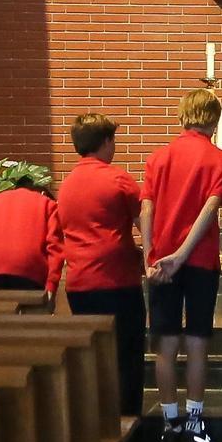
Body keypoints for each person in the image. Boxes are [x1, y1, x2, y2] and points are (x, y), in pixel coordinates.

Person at [142, 89, 222, 442]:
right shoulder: (220, 159)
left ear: (183, 116)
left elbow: (146, 207)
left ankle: (170, 426)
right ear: (214, 119)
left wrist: (152, 255)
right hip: (197, 260)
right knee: (196, 339)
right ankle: (195, 427)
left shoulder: (159, 156)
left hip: (161, 259)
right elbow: (210, 209)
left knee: (164, 342)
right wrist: (182, 255)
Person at [55, 114, 147, 420]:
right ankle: (126, 420)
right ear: (106, 142)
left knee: (92, 355)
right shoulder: (116, 178)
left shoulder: (67, 185)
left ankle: (93, 419)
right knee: (126, 354)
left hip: (80, 282)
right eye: (114, 140)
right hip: (116, 280)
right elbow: (144, 219)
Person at [0, 175, 62, 296]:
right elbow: (55, 247)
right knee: (28, 313)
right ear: (42, 192)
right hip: (29, 271)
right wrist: (51, 286)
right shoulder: (47, 204)